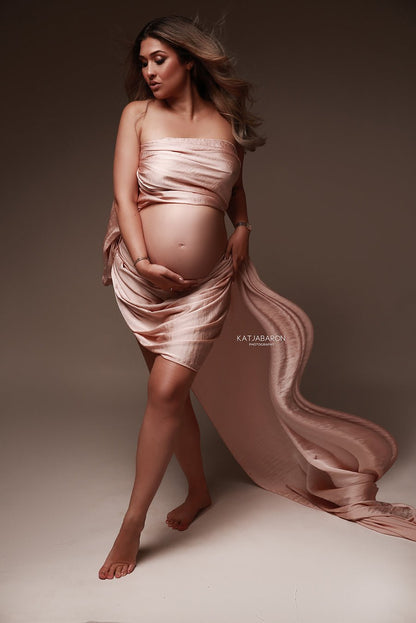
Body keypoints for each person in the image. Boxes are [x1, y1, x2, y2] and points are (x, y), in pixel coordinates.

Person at [100, 15, 416, 580]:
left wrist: (243, 229)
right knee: (168, 396)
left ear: (189, 61)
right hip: (145, 278)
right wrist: (144, 258)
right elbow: (124, 194)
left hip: (208, 283)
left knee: (168, 391)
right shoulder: (138, 116)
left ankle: (131, 523)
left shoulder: (224, 123)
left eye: (159, 60)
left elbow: (235, 194)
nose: (147, 71)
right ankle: (197, 492)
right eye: (143, 61)